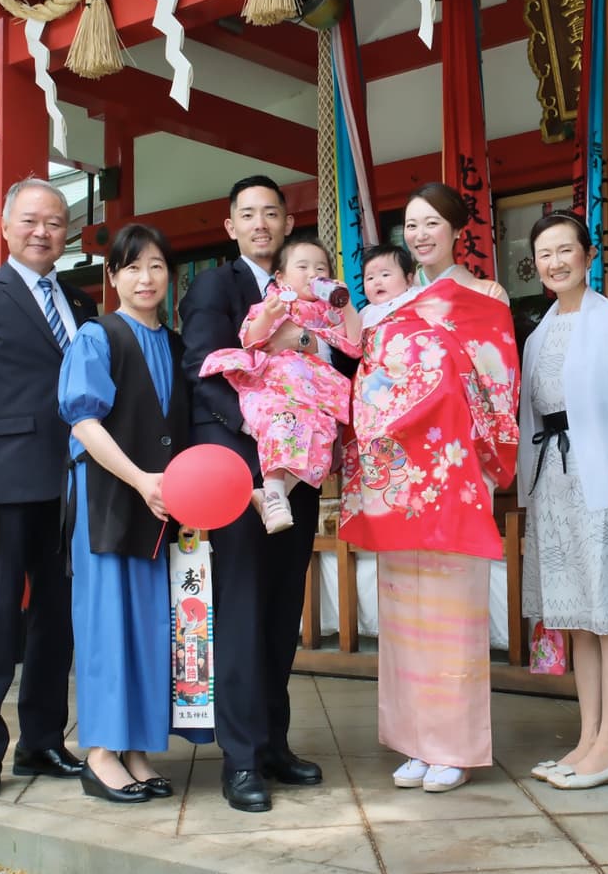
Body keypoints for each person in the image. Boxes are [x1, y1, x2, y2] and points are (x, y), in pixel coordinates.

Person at [340, 182, 519, 794]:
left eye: (431, 223)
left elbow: (500, 385)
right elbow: (369, 379)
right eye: (411, 225)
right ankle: (416, 740)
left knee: (452, 615)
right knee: (404, 611)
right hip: (401, 476)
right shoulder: (392, 306)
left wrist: (478, 450)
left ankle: (454, 745)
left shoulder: (485, 296)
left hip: (453, 472)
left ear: (456, 230)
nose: (419, 235)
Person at [0, 178, 94, 806]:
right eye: (31, 220)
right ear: (5, 227)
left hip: (74, 484)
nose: (43, 232)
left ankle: (42, 740)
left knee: (56, 622)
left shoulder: (81, 304)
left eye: (55, 222)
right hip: (3, 486)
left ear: (67, 232)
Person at [179, 176, 326, 813]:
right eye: (248, 214)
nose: (261, 223)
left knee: (279, 611)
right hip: (241, 469)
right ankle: (238, 758)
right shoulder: (217, 285)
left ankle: (272, 743)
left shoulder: (304, 290)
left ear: (287, 221)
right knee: (239, 611)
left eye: (271, 212)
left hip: (297, 472)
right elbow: (198, 367)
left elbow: (331, 362)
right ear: (230, 224)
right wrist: (257, 428)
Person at [58, 223, 207, 805]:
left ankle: (138, 748)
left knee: (151, 629)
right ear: (112, 277)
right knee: (106, 630)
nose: (145, 279)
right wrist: (141, 479)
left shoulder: (173, 344)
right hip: (112, 500)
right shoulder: (98, 337)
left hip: (162, 506)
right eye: (132, 267)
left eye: (156, 267)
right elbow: (83, 422)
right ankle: (100, 754)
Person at [517, 211, 608, 791]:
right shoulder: (537, 333)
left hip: (599, 479)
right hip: (553, 483)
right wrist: (526, 493)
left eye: (566, 249)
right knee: (578, 620)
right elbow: (529, 420)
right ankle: (588, 737)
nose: (555, 262)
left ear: (588, 255)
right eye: (545, 254)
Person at [199, 238, 362, 533]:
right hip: (279, 386)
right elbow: (251, 338)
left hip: (317, 394)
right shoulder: (274, 303)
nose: (313, 273)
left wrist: (346, 302)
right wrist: (269, 316)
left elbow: (353, 342)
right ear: (281, 277)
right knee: (282, 423)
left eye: (320, 268)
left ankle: (275, 495)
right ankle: (274, 494)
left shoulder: (330, 313)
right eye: (303, 267)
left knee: (319, 439)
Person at [358, 243, 418, 329]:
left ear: (409, 280)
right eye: (370, 278)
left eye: (385, 275)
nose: (377, 282)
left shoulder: (416, 297)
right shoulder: (365, 314)